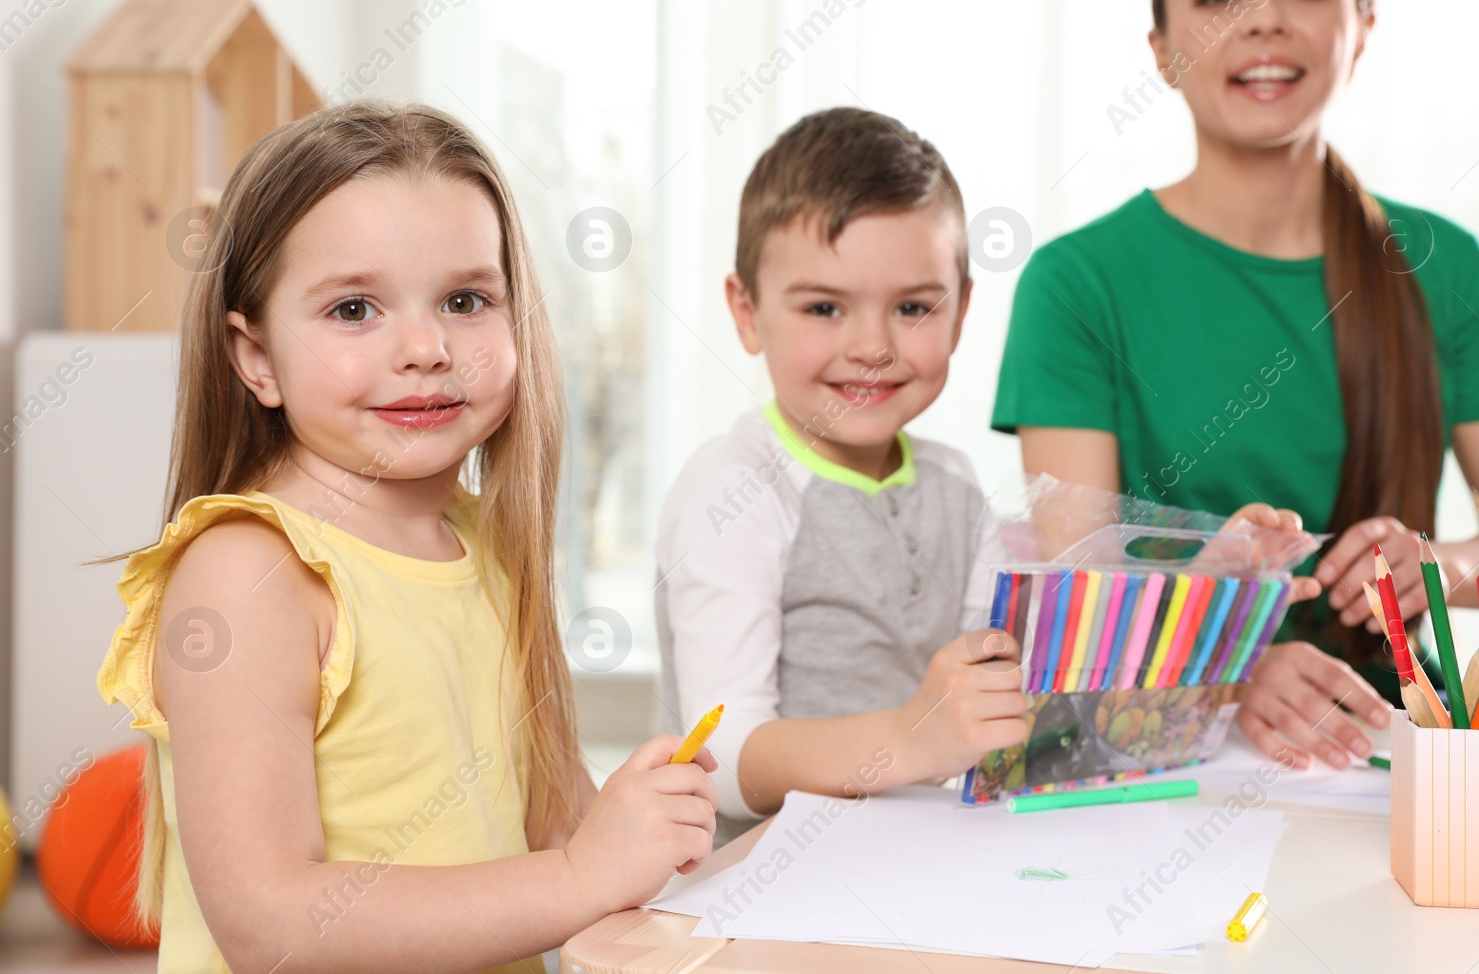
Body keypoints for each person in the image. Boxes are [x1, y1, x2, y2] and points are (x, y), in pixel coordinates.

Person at [95, 101, 716, 973]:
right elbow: (270, 922)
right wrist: (581, 872)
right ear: (257, 356)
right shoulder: (247, 574)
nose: (426, 347)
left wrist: (637, 823)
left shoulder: (488, 546)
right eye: (354, 308)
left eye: (466, 299)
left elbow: (553, 827)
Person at [992, 0, 1479, 768]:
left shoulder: (1444, 267)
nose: (1263, 18)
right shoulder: (1076, 281)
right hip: (1162, 749)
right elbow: (1082, 588)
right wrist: (1231, 668)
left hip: (1397, 745)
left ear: (1362, 28)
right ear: (1160, 51)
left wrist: (1443, 568)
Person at [654, 107, 1316, 835]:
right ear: (746, 313)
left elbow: (1037, 698)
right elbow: (721, 754)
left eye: (912, 306)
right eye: (824, 307)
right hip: (765, 901)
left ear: (961, 311)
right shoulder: (734, 485)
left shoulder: (955, 484)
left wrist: (1204, 584)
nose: (872, 345)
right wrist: (910, 737)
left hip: (926, 868)